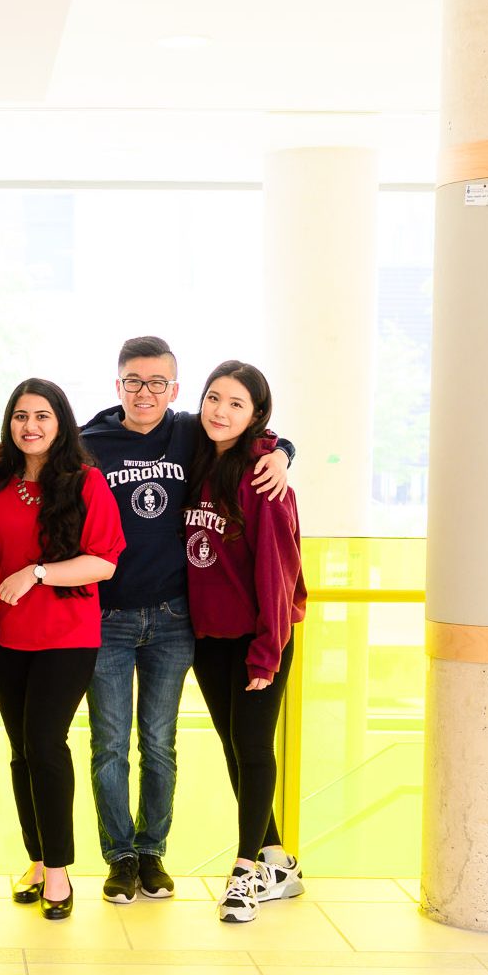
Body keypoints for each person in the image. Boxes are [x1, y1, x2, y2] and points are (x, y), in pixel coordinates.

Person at [80, 336, 294, 904]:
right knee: (109, 745)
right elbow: (38, 451)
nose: (145, 392)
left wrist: (283, 452)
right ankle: (120, 856)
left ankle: (154, 854)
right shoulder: (91, 442)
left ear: (174, 390)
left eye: (157, 383)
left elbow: (255, 433)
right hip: (114, 618)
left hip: (178, 620)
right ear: (118, 383)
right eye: (133, 381)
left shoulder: (193, 433)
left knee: (160, 743)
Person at [0, 378, 125, 920]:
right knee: (22, 751)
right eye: (21, 416)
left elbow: (105, 561)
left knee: (46, 745)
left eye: (42, 416)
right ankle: (37, 857)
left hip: (67, 636)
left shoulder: (86, 482)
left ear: (61, 422)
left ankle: (60, 872)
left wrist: (37, 573)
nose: (31, 426)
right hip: (4, 637)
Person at [183, 360, 308, 924]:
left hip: (260, 640)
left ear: (256, 414)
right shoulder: (197, 456)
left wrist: (268, 650)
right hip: (211, 638)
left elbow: (278, 574)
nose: (220, 411)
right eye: (214, 398)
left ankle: (243, 874)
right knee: (237, 749)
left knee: (254, 748)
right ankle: (278, 860)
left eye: (235, 403)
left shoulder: (264, 477)